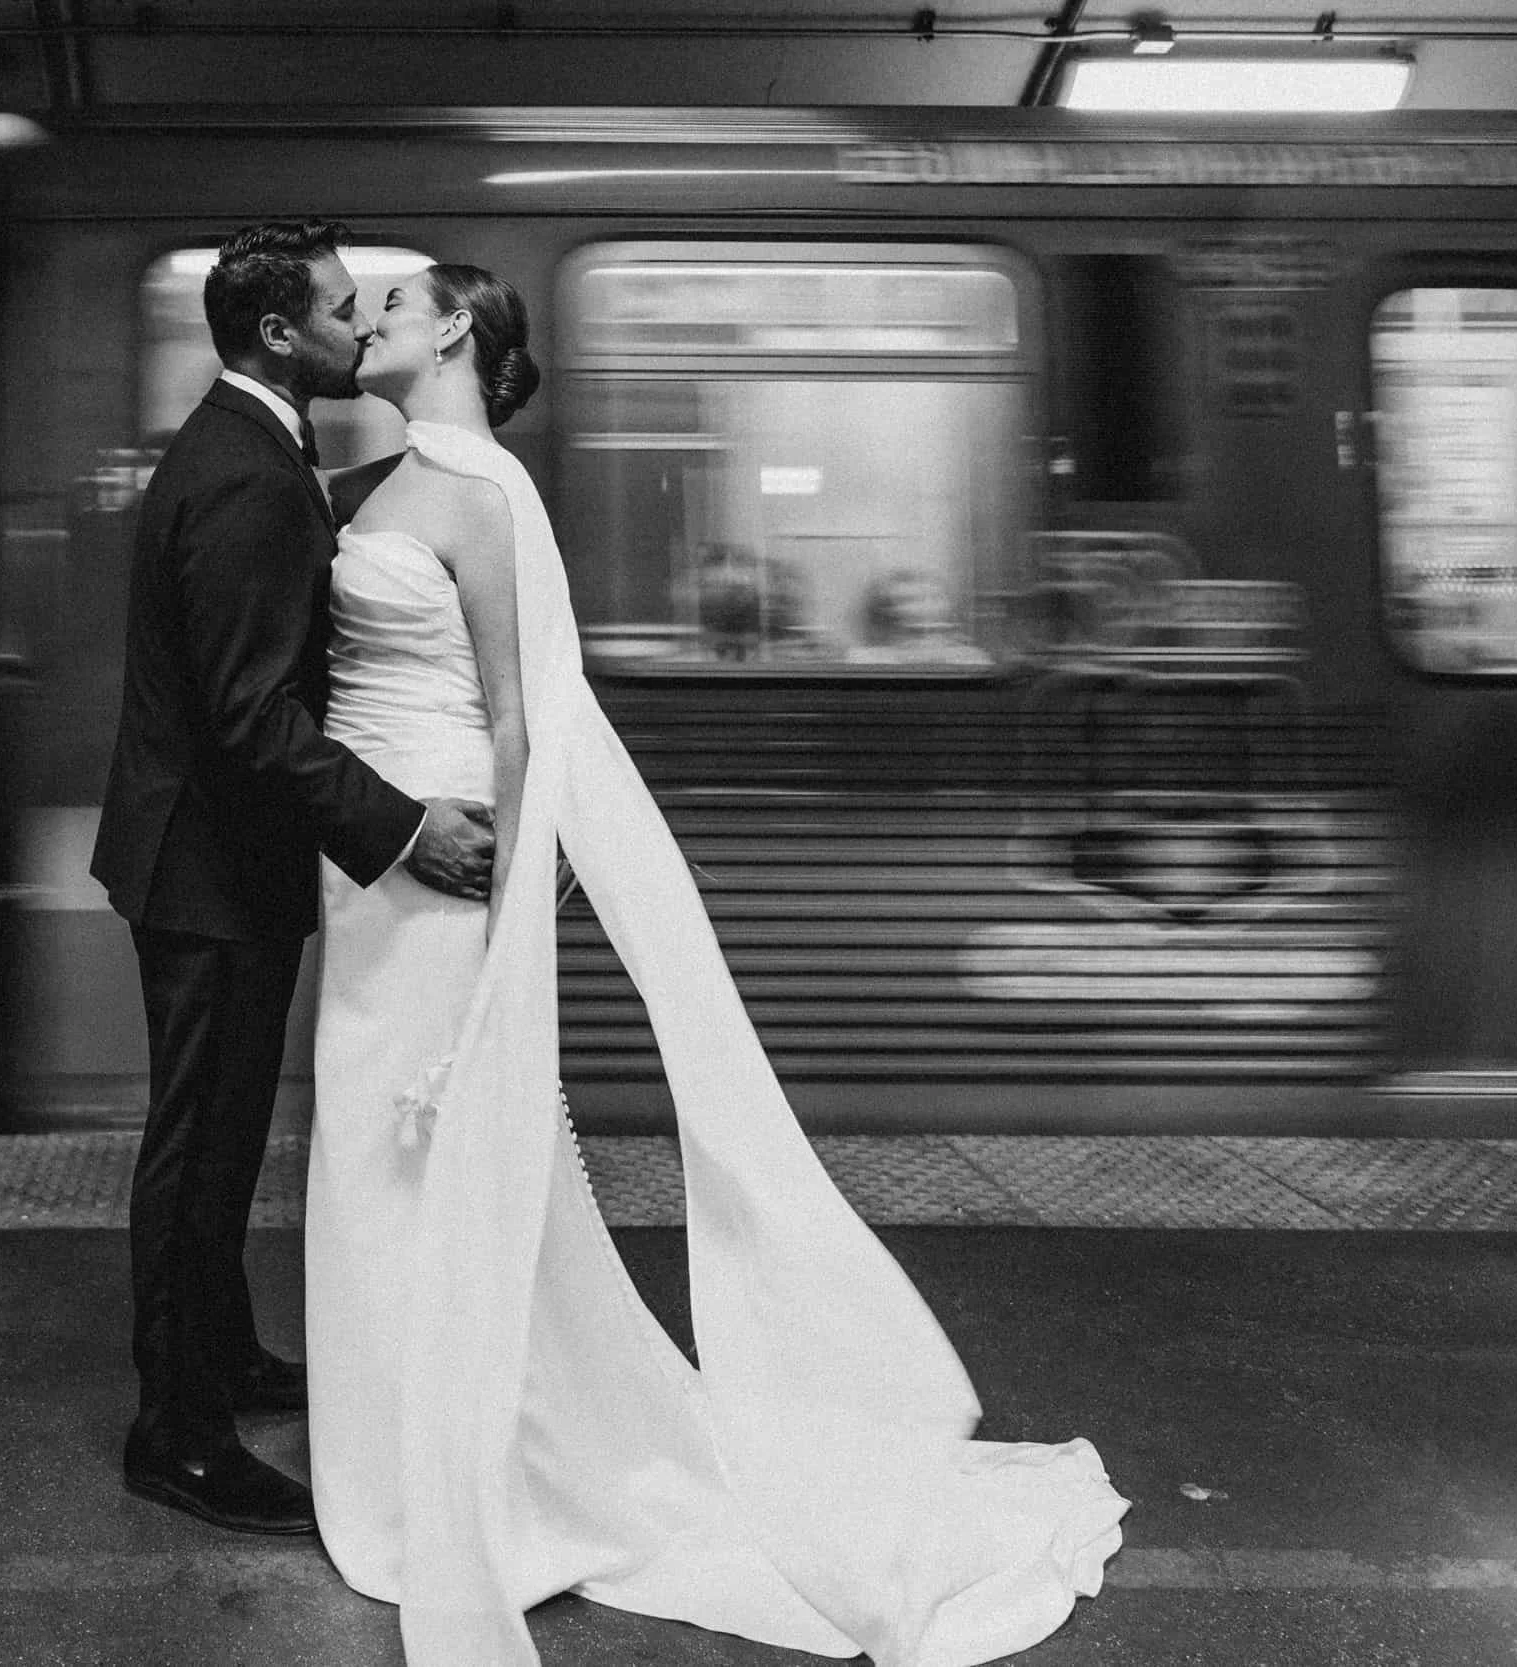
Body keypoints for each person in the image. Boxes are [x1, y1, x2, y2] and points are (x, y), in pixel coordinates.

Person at [308, 262, 1129, 1666]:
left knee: (435, 1155)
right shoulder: (385, 482)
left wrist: (512, 908)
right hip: (373, 882)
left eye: (385, 306)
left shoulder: (488, 493)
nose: (360, 323)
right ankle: (406, 1449)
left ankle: (454, 1470)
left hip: (447, 870)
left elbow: (522, 721)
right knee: (366, 1152)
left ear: (451, 328)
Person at [89, 222, 497, 1539]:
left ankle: (230, 1357)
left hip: (210, 861)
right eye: (335, 308)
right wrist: (399, 828)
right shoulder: (256, 476)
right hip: (210, 870)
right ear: (279, 333)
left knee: (218, 1138)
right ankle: (179, 1433)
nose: (354, 324)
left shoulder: (247, 445)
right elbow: (251, 715)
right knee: (200, 1145)